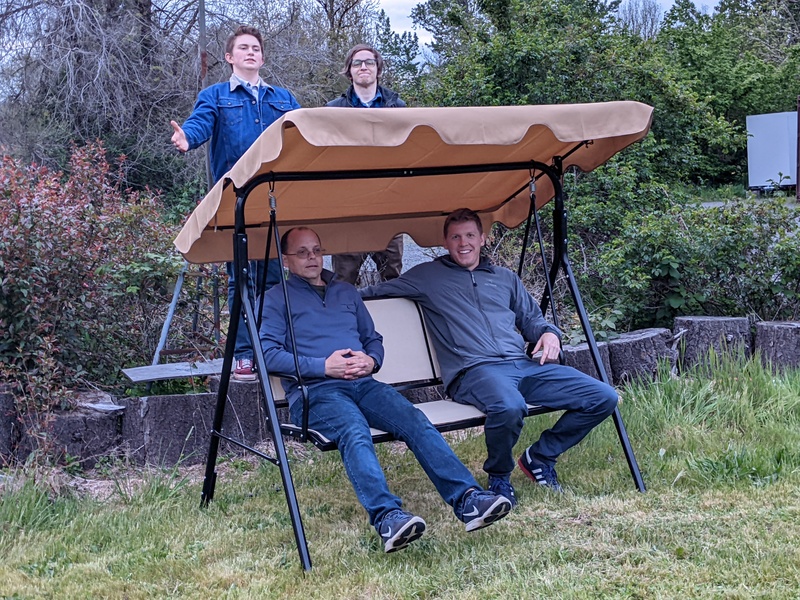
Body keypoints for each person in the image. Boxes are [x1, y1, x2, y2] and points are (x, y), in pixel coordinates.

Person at [259, 227, 512, 553]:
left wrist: (371, 360)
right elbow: (267, 354)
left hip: (364, 384)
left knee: (414, 419)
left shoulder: (345, 292)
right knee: (354, 429)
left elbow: (373, 340)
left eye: (316, 250)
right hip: (317, 393)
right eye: (302, 252)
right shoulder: (276, 298)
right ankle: (387, 517)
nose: (312, 258)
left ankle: (468, 500)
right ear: (286, 259)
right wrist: (323, 366)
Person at [361, 208, 618, 505]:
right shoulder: (426, 277)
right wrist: (316, 293)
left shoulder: (504, 278)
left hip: (522, 366)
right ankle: (499, 476)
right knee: (509, 407)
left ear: (483, 238)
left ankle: (540, 456)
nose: (463, 243)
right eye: (455, 237)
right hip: (474, 372)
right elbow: (370, 293)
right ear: (446, 242)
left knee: (602, 396)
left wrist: (549, 334)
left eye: (470, 235)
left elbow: (532, 320)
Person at [170, 25, 300, 381]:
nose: (250, 52)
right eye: (243, 48)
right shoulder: (214, 96)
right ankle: (243, 354)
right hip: (236, 202)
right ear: (229, 57)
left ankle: (271, 351)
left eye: (256, 48)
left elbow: (305, 133)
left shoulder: (283, 98)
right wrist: (187, 139)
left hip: (275, 201)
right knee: (240, 277)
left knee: (273, 279)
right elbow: (198, 125)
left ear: (262, 56)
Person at [326, 44, 405, 286]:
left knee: (393, 279)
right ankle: (344, 325)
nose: (364, 67)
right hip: (348, 207)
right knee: (342, 282)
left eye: (369, 62)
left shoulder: (397, 107)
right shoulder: (332, 111)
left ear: (378, 68)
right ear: (349, 71)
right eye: (357, 63)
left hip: (388, 206)